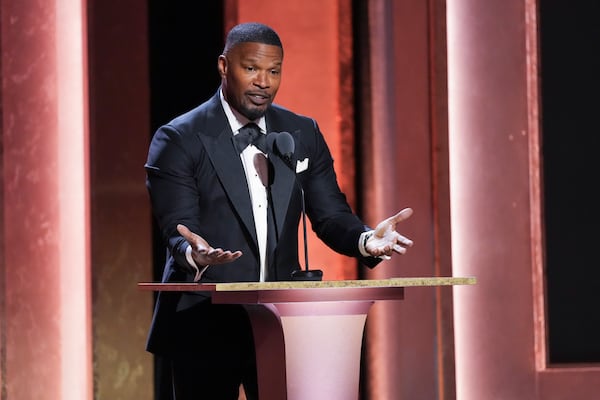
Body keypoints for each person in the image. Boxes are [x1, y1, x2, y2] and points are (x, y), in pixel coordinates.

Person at [145, 22, 414, 400]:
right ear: (224, 66)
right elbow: (178, 227)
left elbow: (330, 214)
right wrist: (195, 253)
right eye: (251, 69)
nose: (263, 82)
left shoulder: (301, 133)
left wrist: (367, 240)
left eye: (274, 71)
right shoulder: (180, 137)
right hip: (204, 322)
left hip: (281, 326)